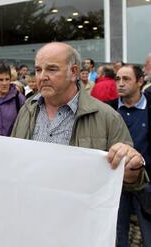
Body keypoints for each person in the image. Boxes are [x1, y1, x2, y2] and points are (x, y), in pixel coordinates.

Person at [11, 42, 147, 191]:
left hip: (79, 211)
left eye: (52, 69)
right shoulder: (26, 110)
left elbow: (133, 179)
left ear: (74, 72)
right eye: (38, 70)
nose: (42, 77)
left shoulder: (107, 117)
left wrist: (131, 169)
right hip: (30, 206)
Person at [105, 65, 151, 247]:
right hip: (116, 184)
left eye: (126, 79)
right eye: (117, 79)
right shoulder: (108, 111)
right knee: (117, 234)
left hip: (146, 182)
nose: (120, 84)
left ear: (140, 81)